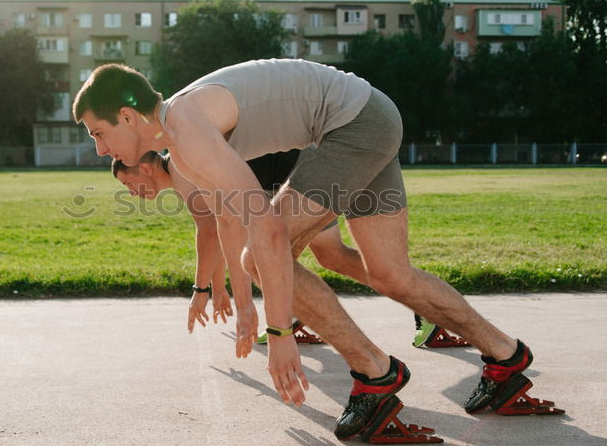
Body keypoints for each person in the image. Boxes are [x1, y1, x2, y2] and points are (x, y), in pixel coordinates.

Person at [74, 58, 536, 441]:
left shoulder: (186, 128)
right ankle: (505, 355)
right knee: (391, 274)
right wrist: (247, 309)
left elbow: (266, 232)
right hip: (370, 117)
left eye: (98, 132)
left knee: (264, 255)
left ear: (129, 117)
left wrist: (280, 334)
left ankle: (376, 374)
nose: (99, 149)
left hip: (355, 128)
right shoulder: (182, 134)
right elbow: (230, 219)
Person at [112, 148, 461, 347]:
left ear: (145, 167)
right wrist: (218, 288)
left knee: (272, 257)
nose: (131, 192)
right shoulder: (184, 167)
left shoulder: (183, 170)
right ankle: (426, 307)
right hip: (295, 171)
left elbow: (212, 232)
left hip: (298, 172)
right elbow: (220, 232)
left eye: (129, 182)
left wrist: (204, 290)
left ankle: (426, 306)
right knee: (331, 255)